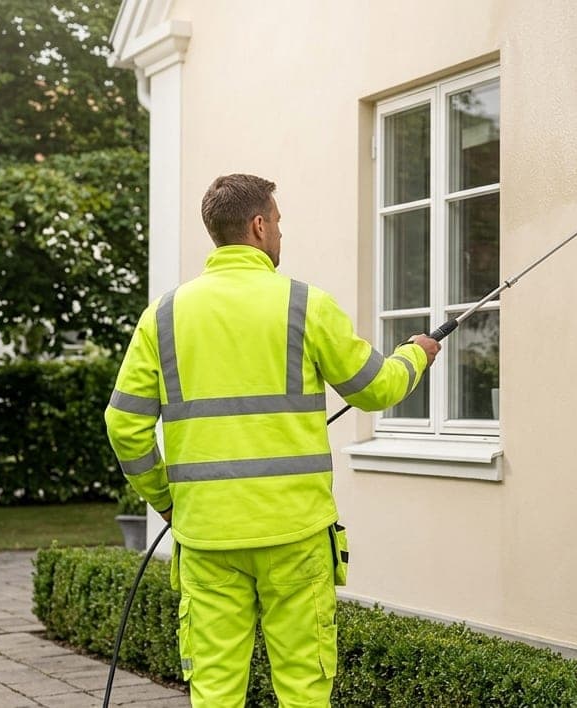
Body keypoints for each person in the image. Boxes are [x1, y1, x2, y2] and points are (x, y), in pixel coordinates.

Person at [104, 173, 439, 707]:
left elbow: (124, 425)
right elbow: (376, 388)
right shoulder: (305, 304)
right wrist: (415, 354)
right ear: (258, 226)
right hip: (295, 534)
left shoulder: (162, 317)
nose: (281, 233)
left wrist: (166, 500)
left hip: (209, 537)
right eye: (278, 222)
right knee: (304, 689)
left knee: (215, 692)